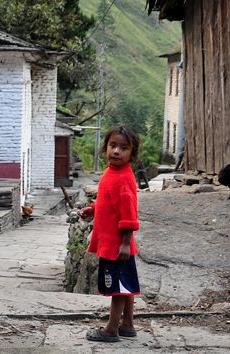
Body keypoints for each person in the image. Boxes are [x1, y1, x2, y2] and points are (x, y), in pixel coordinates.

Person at [79, 126, 141, 342]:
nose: (116, 151)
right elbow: (109, 202)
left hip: (117, 246)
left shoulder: (124, 178)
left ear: (132, 153)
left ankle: (111, 330)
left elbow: (129, 215)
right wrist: (94, 208)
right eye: (113, 146)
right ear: (105, 148)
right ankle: (128, 324)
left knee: (117, 289)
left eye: (123, 148)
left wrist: (125, 243)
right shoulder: (111, 173)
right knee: (126, 286)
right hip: (112, 244)